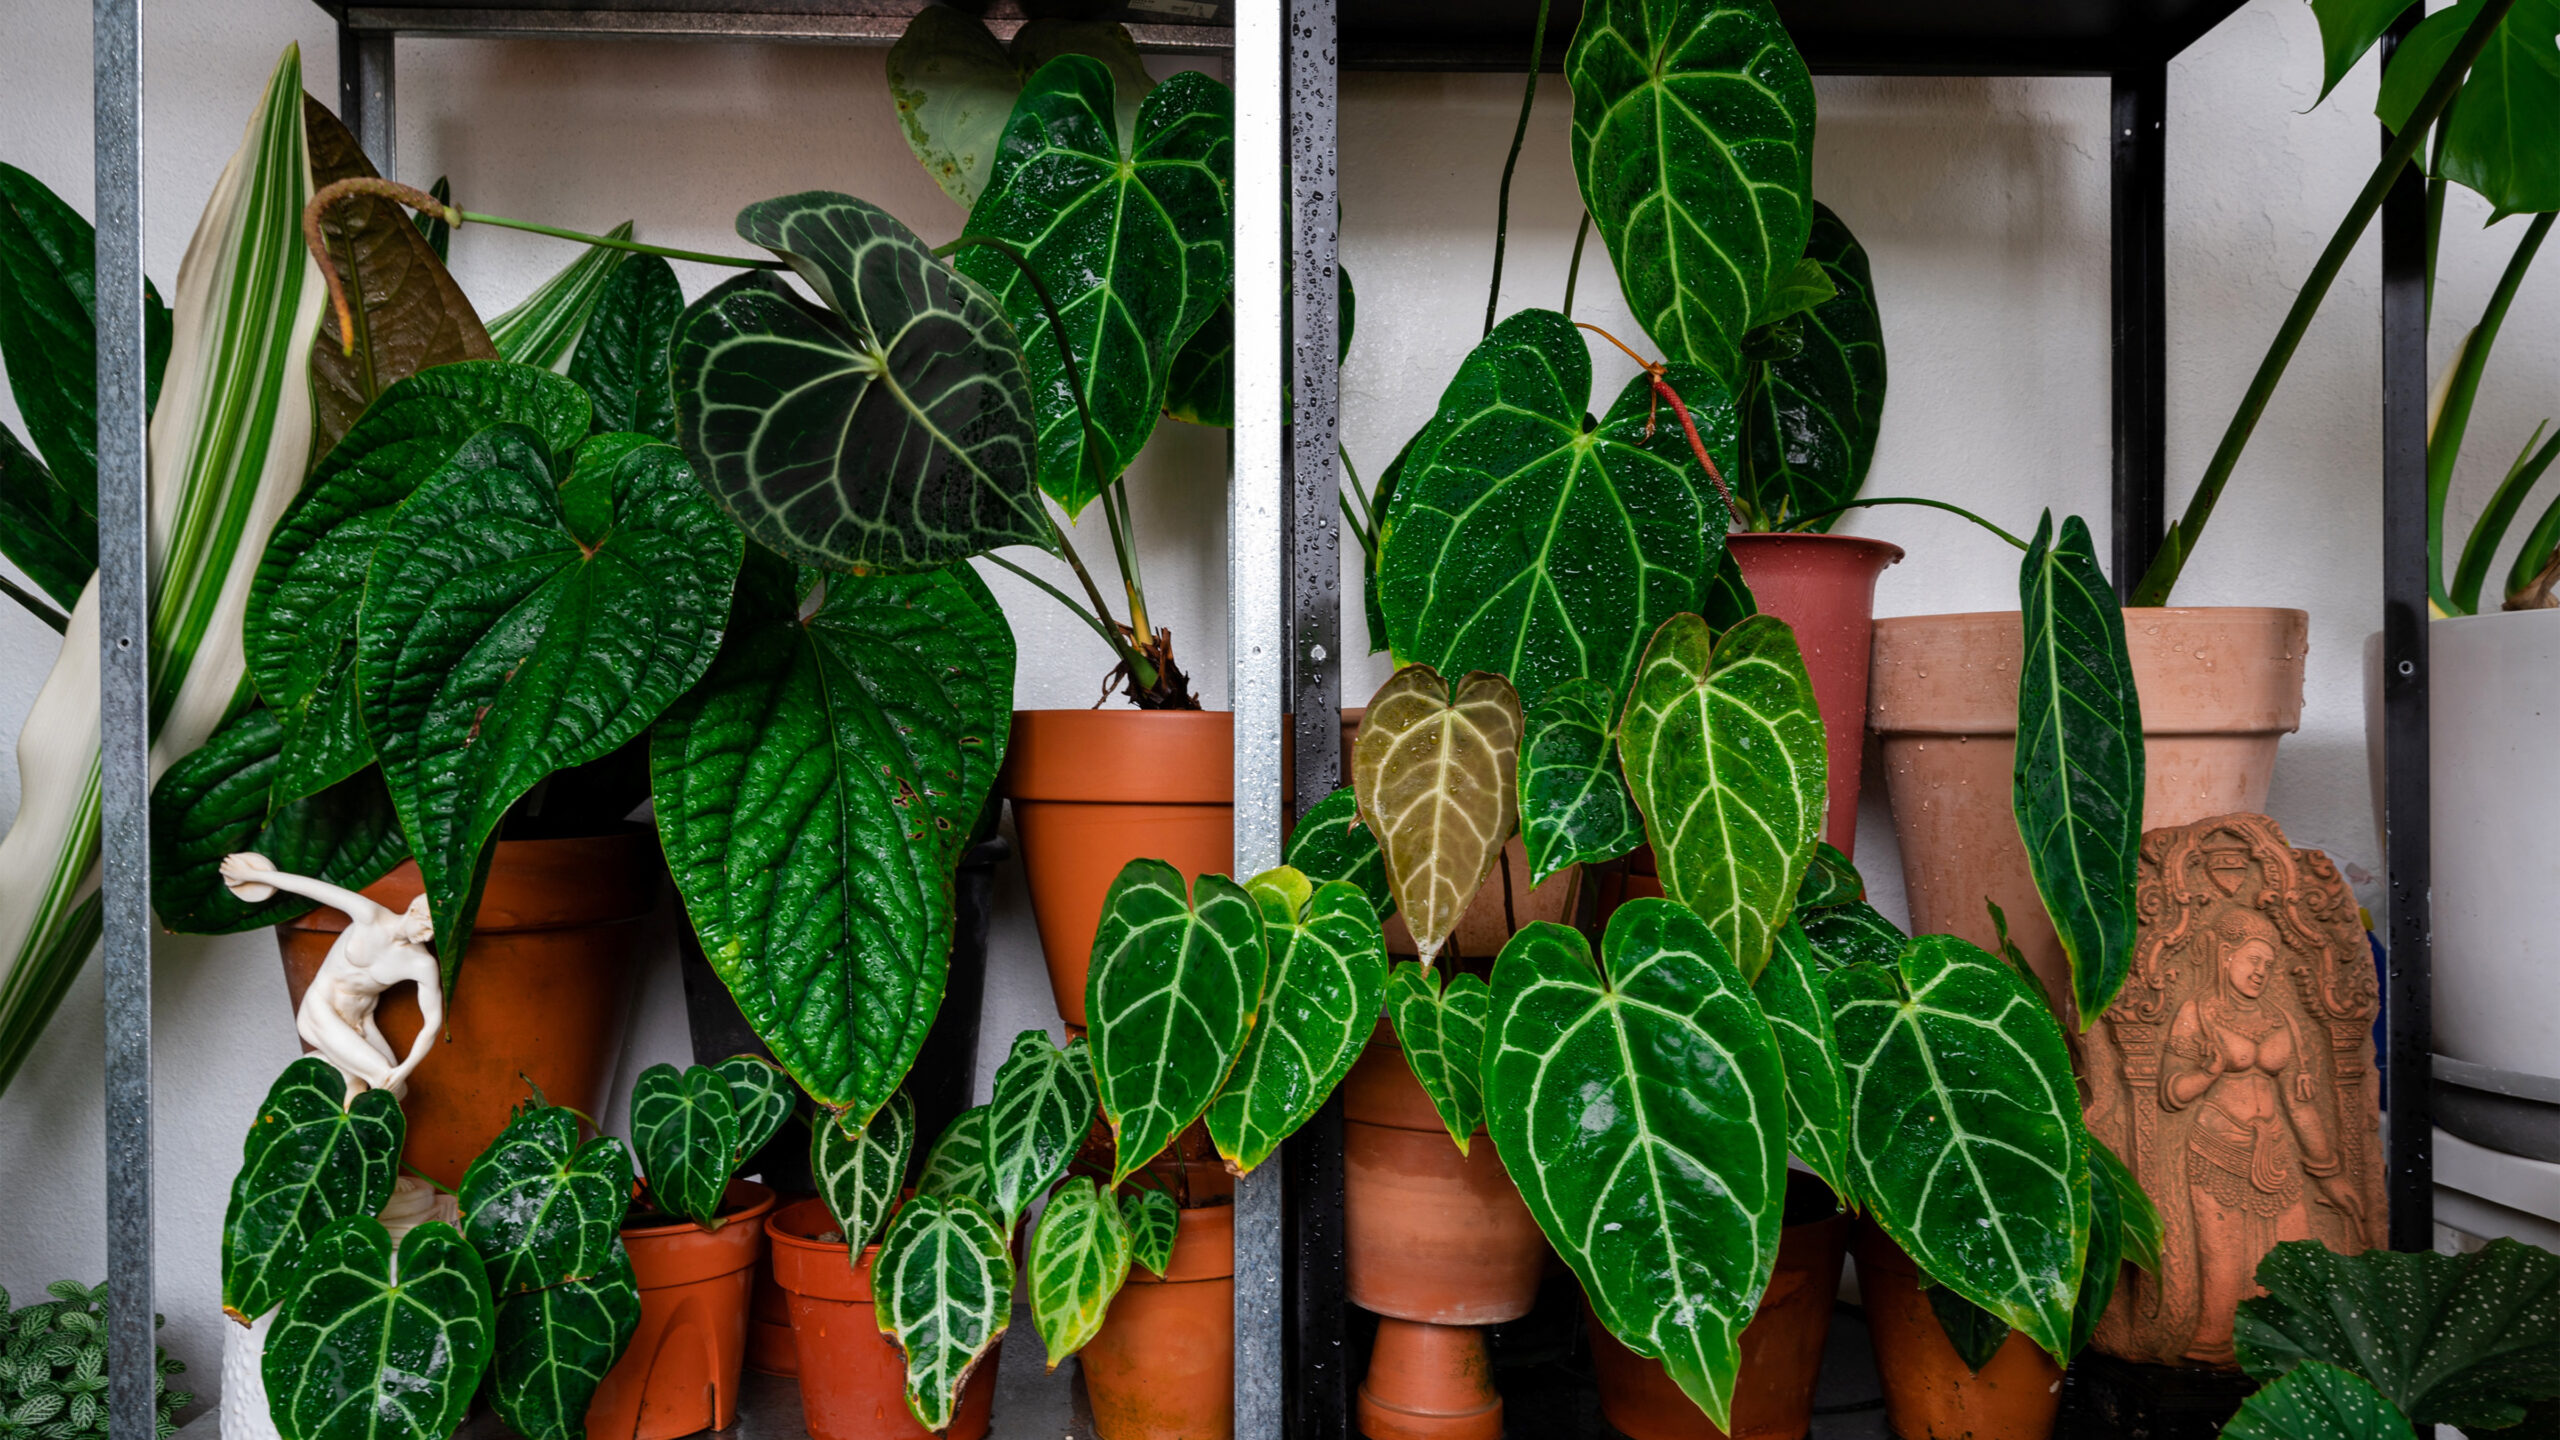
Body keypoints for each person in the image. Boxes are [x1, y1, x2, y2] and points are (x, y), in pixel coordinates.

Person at [2159, 907, 2363, 1363]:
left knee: (2293, 1262)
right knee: (2223, 1270)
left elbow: (2301, 1104)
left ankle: (2291, 1359)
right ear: (2226, 955)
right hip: (2216, 1151)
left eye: (2268, 965)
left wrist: (2329, 1173)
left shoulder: (2282, 1021)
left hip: (2275, 1154)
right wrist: (2208, 1072)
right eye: (2253, 960)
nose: (2261, 972)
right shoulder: (2196, 1013)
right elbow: (2172, 1093)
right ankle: (2212, 1357)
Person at [221, 852, 441, 1103]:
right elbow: (315, 889)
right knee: (382, 1078)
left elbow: (432, 1023)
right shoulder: (370, 917)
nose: (425, 937)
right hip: (323, 1010)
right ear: (413, 910)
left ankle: (330, 1066)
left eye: (432, 934)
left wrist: (406, 1068)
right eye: (425, 927)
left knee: (398, 1093)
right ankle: (326, 1067)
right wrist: (253, 875)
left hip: (361, 1023)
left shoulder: (421, 963)